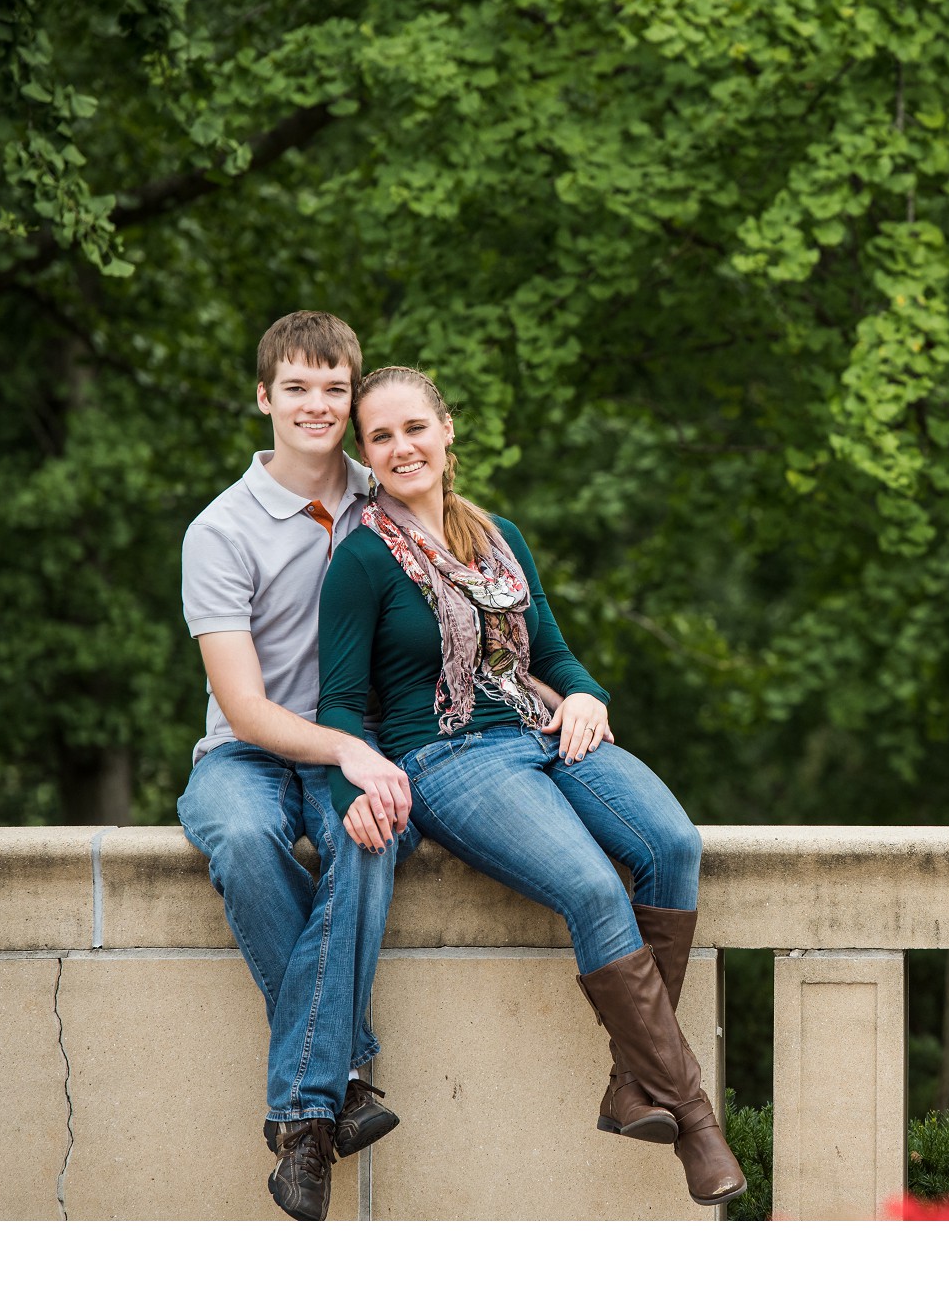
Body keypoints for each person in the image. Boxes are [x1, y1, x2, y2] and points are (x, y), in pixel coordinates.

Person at [316, 365, 745, 1208]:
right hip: (445, 758)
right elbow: (338, 705)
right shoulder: (361, 558)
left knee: (672, 844)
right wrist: (353, 793)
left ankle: (633, 1087)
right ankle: (695, 1117)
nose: (402, 447)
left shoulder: (497, 535)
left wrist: (586, 694)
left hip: (541, 730)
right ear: (366, 455)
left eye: (414, 428)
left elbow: (551, 656)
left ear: (446, 432)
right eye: (381, 437)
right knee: (590, 886)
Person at [176, 312, 415, 1221]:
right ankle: (345, 1070)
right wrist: (350, 748)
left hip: (357, 739)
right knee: (238, 833)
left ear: (353, 398)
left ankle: (301, 1121)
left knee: (368, 833)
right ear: (265, 397)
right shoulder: (220, 530)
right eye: (298, 388)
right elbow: (244, 707)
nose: (318, 405)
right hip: (249, 749)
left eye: (335, 388)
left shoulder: (386, 494)